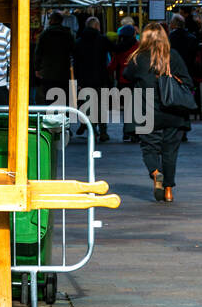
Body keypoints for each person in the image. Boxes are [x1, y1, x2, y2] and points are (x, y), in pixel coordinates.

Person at [124, 21, 193, 203]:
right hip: (173, 112)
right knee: (170, 151)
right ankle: (169, 191)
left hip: (147, 112)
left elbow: (126, 76)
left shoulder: (138, 58)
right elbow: (188, 82)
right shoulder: (173, 56)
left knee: (149, 148)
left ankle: (156, 173)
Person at [74, 15, 112, 143]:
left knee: (89, 107)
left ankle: (92, 131)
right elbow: (116, 49)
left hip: (85, 80)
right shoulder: (102, 40)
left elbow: (76, 64)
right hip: (101, 78)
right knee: (102, 106)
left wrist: (78, 81)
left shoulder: (78, 42)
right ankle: (103, 132)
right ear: (97, 26)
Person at [34, 11, 74, 108]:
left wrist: (37, 68)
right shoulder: (68, 34)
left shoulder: (44, 35)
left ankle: (51, 120)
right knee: (63, 98)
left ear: (51, 21)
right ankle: (64, 120)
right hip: (63, 72)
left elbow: (38, 53)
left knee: (49, 98)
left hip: (48, 72)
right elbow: (73, 51)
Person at [109, 23, 139, 141]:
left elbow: (112, 66)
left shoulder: (119, 49)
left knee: (127, 108)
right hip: (136, 80)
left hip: (123, 81)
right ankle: (135, 131)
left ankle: (127, 131)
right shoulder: (139, 47)